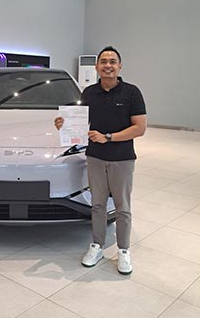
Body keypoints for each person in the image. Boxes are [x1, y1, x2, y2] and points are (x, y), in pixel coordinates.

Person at [55, 46, 146, 274]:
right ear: (96, 67)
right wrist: (63, 124)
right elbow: (79, 123)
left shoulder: (132, 92)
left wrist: (109, 137)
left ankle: (123, 250)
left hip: (122, 159)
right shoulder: (89, 93)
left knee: (122, 207)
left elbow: (139, 128)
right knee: (97, 204)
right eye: (103, 61)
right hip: (95, 157)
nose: (108, 65)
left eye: (112, 61)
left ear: (120, 66)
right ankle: (97, 245)